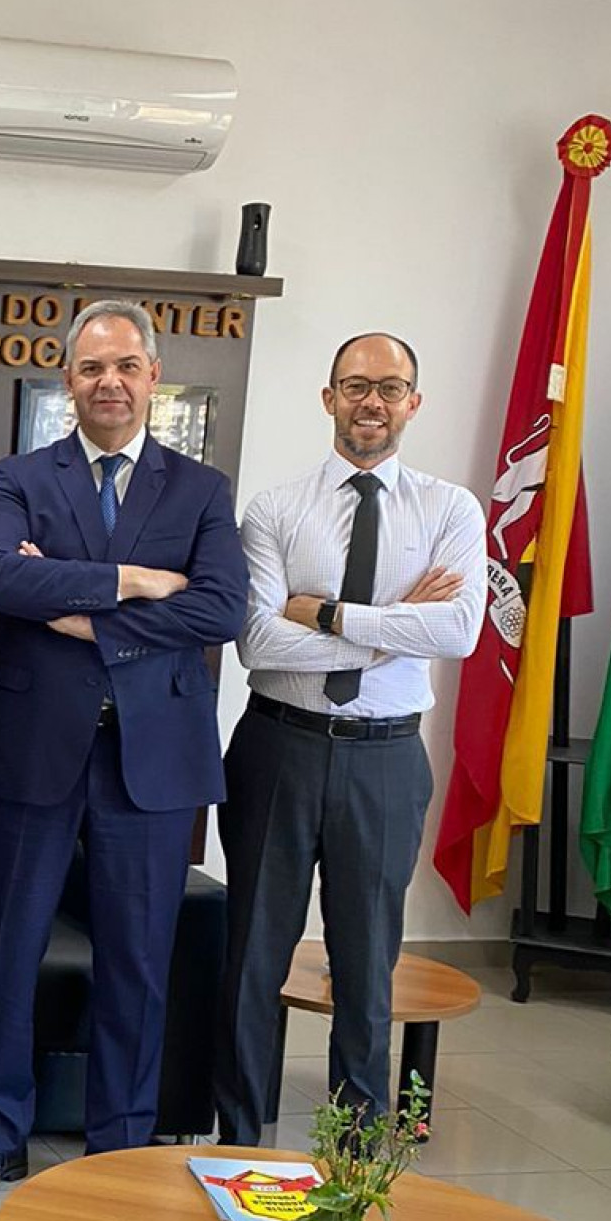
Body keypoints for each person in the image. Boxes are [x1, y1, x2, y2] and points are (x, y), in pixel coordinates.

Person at [0, 298, 248, 1207]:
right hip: (30, 747)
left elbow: (221, 609)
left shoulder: (199, 489)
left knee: (138, 960)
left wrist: (80, 614)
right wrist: (137, 582)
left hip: (151, 758)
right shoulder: (22, 474)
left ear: (152, 376)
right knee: (3, 950)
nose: (107, 382)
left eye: (124, 366)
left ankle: (119, 1148)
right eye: (89, 367)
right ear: (64, 379)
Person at [215, 334, 486, 1139]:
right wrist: (398, 624)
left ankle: (355, 1146)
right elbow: (258, 643)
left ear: (413, 401)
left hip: (384, 757)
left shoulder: (450, 508)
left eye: (389, 387)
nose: (372, 401)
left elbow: (461, 627)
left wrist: (328, 614)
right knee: (254, 955)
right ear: (327, 397)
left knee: (367, 964)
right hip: (278, 746)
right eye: (355, 385)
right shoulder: (274, 508)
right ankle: (239, 1137)